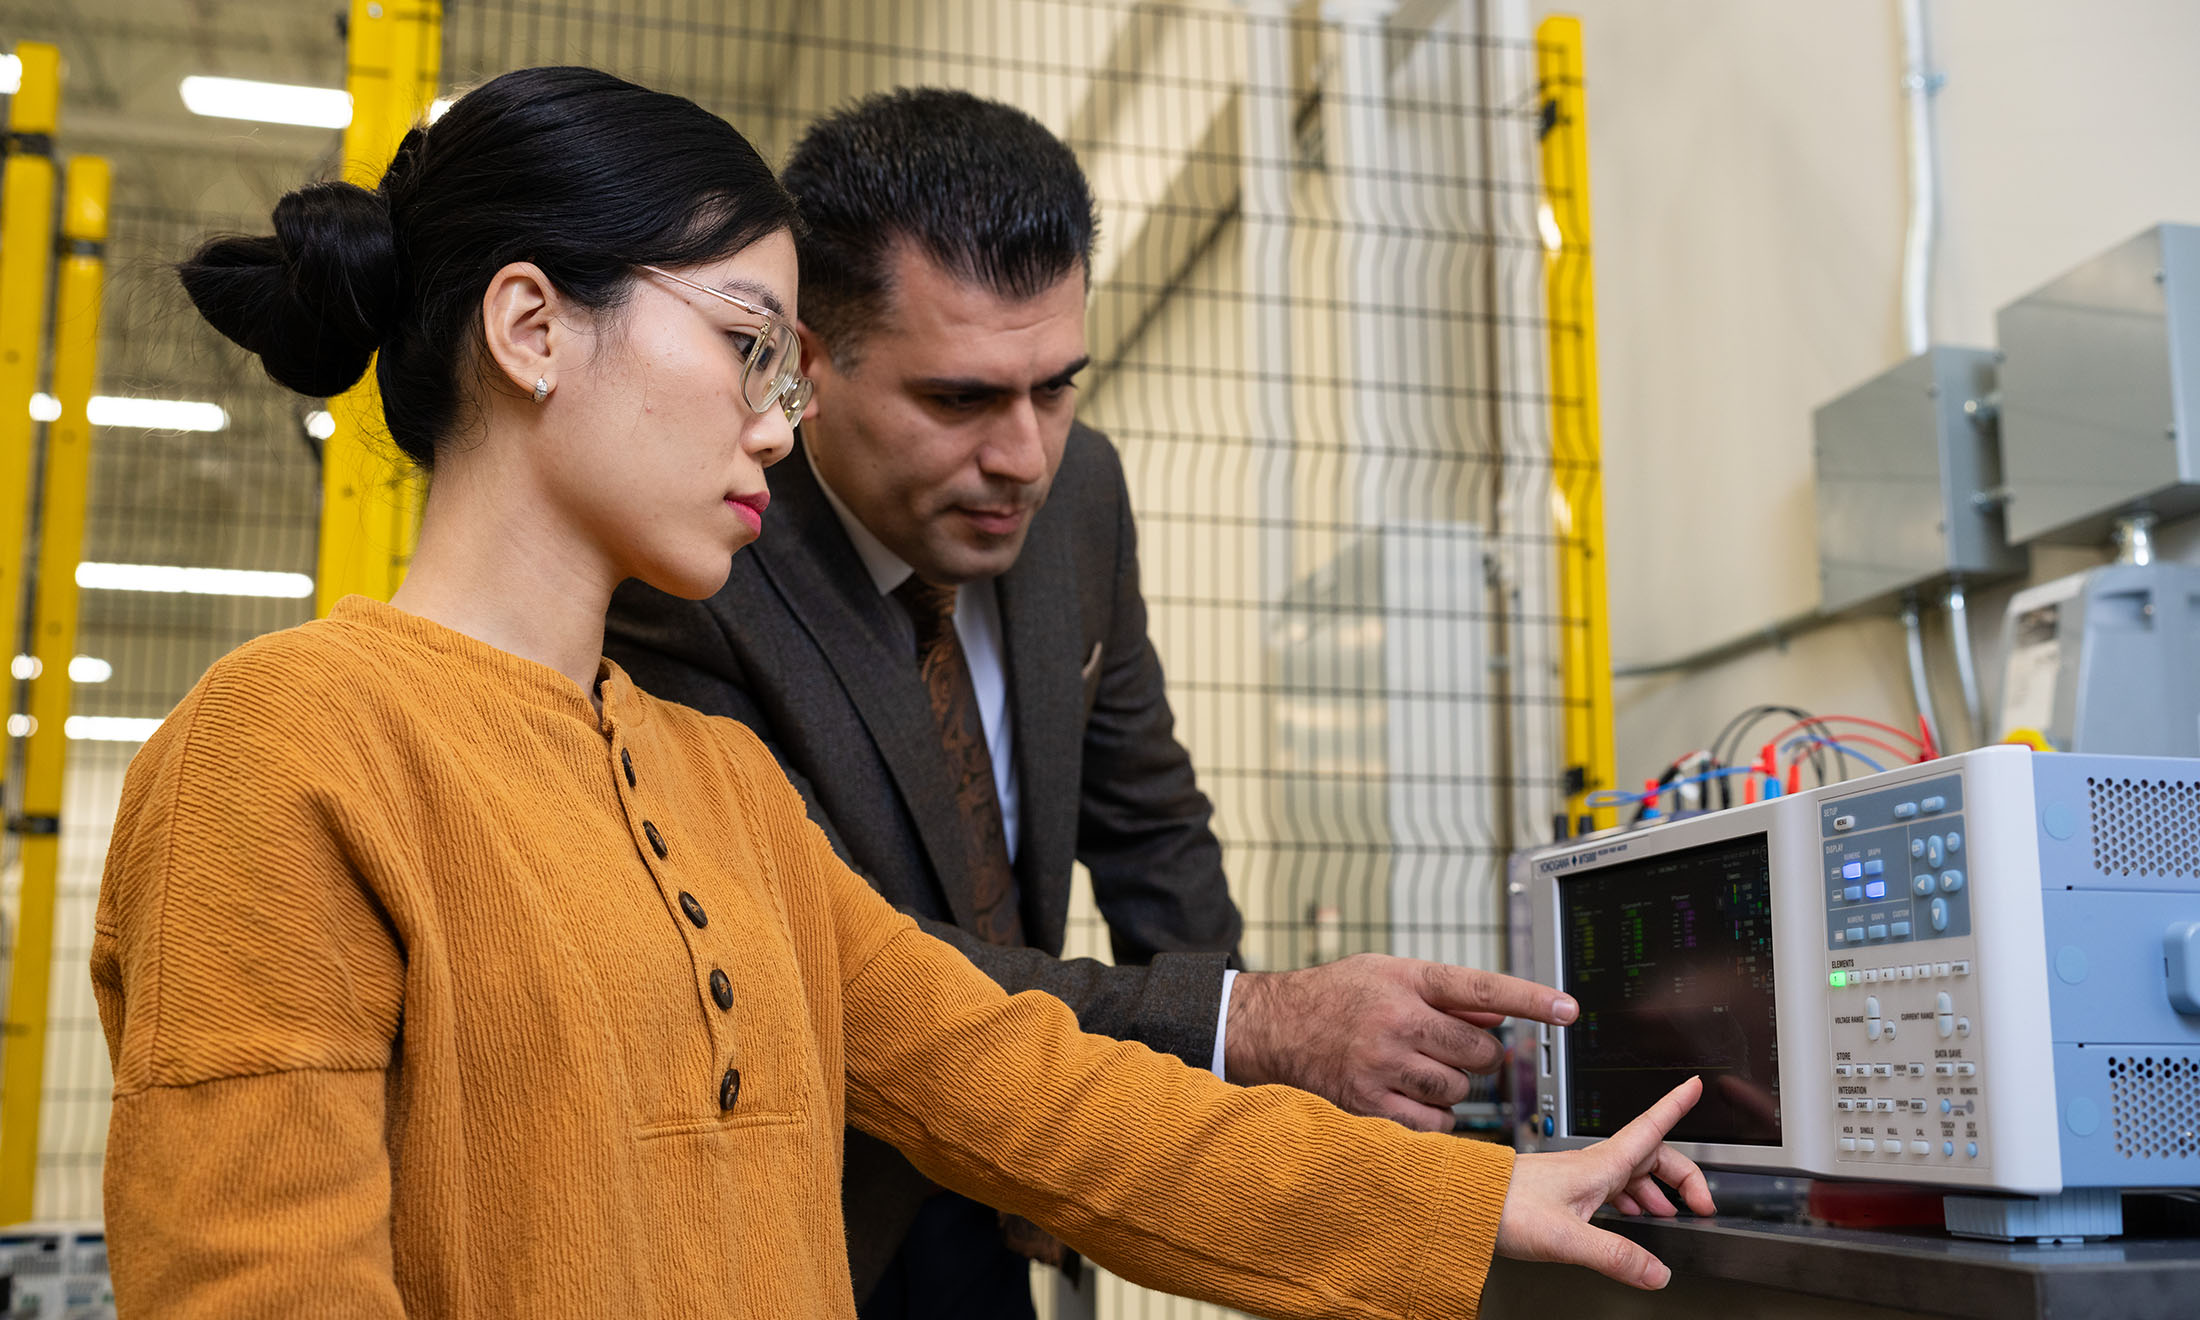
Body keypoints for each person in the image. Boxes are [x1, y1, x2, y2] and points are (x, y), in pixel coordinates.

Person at [94, 65, 1713, 1319]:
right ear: (532, 328)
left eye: (789, 370)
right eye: (746, 346)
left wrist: (1472, 1200)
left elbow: (1040, 1095)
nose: (779, 422)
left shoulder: (713, 788)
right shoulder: (288, 747)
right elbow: (261, 1287)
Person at [602, 87, 1580, 1315]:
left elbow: (1148, 824)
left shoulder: (1080, 499)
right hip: (814, 1211)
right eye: (958, 400)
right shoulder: (694, 571)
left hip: (1026, 1193)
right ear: (805, 366)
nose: (1023, 454)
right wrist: (1254, 1022)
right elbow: (849, 972)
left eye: (1056, 386)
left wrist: (1277, 1128)